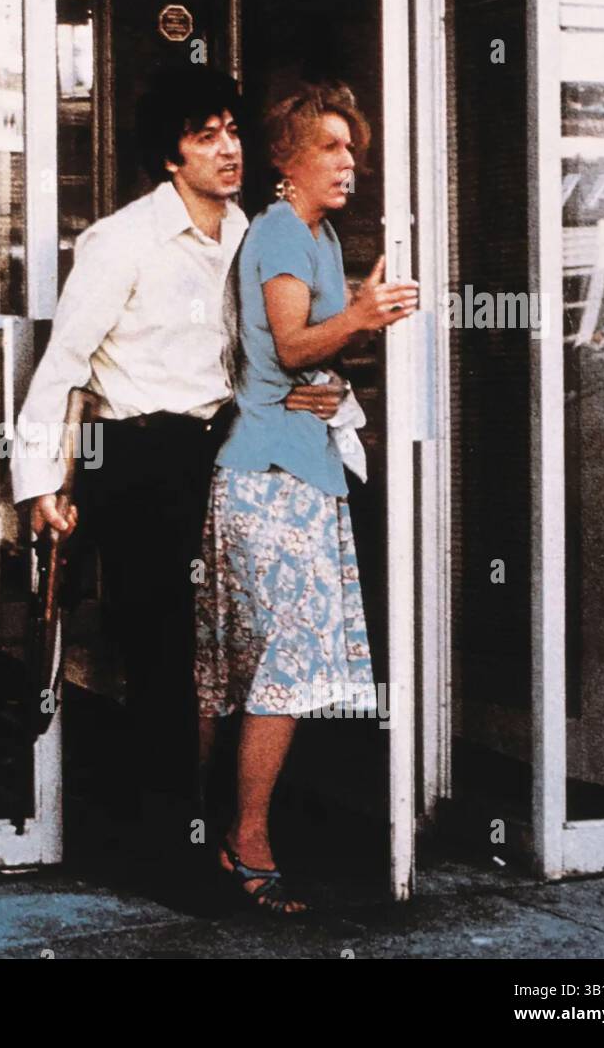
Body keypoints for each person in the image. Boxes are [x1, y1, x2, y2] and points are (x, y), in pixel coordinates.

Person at [10, 67, 336, 904]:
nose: (228, 148)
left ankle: (232, 834)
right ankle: (169, 857)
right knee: (162, 662)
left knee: (234, 654)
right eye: (205, 135)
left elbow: (269, 349)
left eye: (231, 130)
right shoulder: (121, 241)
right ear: (169, 156)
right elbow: (63, 367)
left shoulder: (252, 236)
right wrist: (43, 483)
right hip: (140, 457)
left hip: (223, 451)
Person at [194, 82, 418, 915]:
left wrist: (333, 373)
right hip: (268, 482)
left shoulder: (315, 236)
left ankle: (225, 832)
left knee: (258, 669)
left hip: (300, 476)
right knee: (278, 669)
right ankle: (243, 840)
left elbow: (296, 362)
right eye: (331, 148)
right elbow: (290, 342)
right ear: (286, 161)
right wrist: (358, 319)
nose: (349, 163)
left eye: (352, 150)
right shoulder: (284, 233)